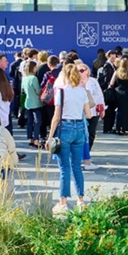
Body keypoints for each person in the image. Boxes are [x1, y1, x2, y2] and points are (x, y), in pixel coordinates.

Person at [46, 63, 93, 214]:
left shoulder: (61, 91)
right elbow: (88, 115)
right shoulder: (82, 91)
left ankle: (63, 203)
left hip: (64, 128)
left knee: (64, 168)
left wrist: (50, 136)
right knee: (76, 167)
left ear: (64, 75)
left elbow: (56, 116)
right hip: (79, 129)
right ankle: (80, 201)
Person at [77, 64, 105, 168]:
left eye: (82, 70)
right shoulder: (75, 82)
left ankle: (87, 154)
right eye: (78, 71)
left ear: (87, 71)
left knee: (91, 133)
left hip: (93, 110)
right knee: (82, 134)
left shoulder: (93, 81)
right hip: (81, 112)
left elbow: (99, 94)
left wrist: (101, 107)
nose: (80, 73)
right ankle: (82, 156)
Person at [109, 57, 128, 136]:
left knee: (119, 110)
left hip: (118, 92)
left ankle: (117, 128)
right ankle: (124, 129)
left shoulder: (116, 72)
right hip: (127, 93)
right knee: (126, 111)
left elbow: (111, 83)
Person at [21, 61, 43, 147]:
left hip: (28, 102)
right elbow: (38, 91)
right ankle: (36, 139)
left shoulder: (24, 78)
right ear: (33, 68)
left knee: (30, 121)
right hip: (36, 102)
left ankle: (30, 138)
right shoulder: (34, 78)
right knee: (38, 121)